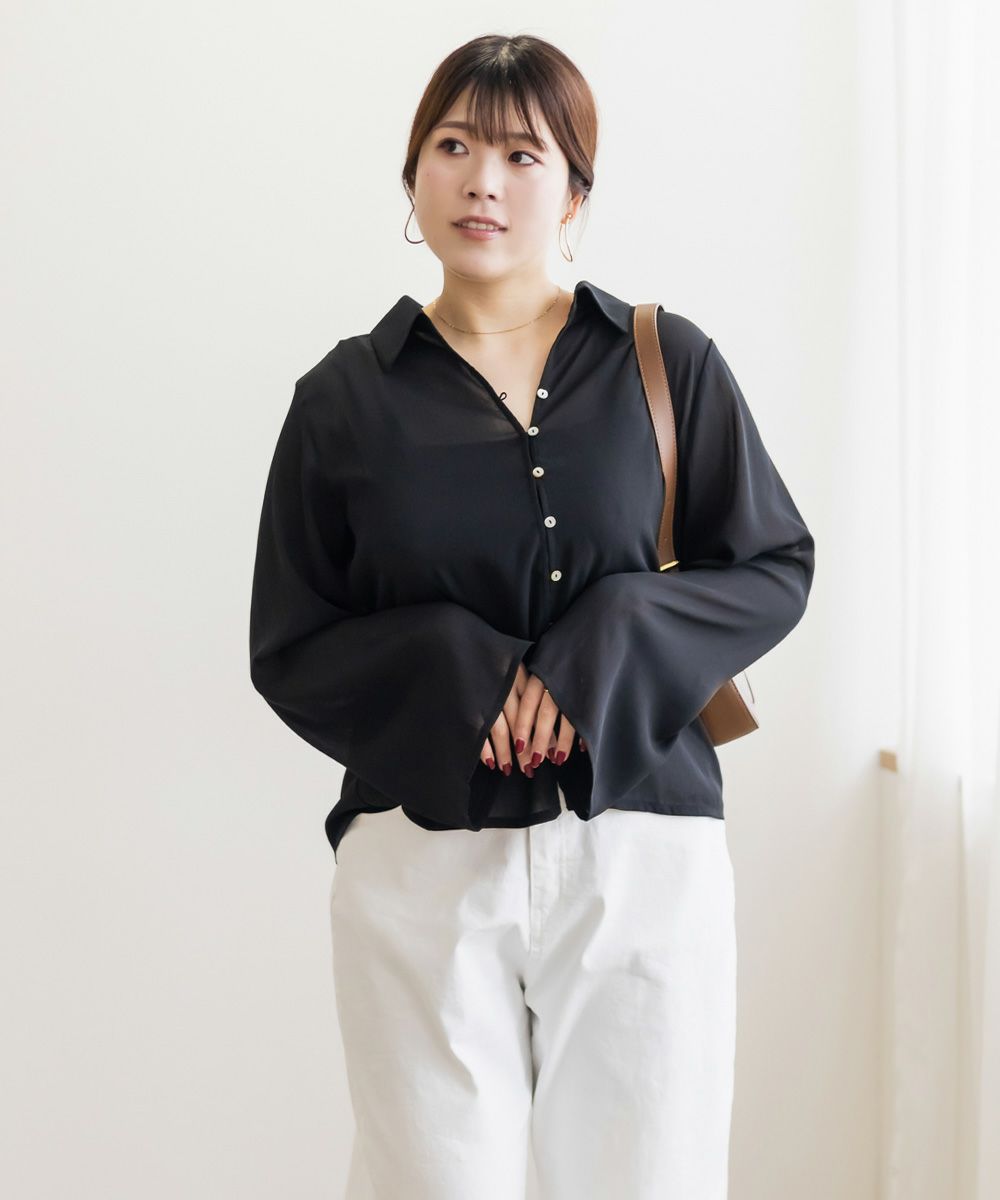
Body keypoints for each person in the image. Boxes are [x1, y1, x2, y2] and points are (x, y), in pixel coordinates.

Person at [248, 32, 815, 1200]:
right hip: (420, 859)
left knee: (647, 1179)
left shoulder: (665, 361)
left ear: (575, 192)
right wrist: (463, 670)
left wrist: (611, 634)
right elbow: (290, 642)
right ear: (413, 176)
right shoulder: (343, 400)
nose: (482, 181)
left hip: (642, 846)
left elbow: (771, 564)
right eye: (454, 146)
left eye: (521, 153)